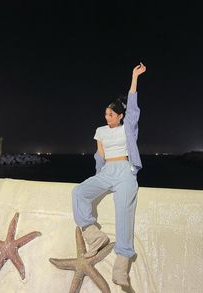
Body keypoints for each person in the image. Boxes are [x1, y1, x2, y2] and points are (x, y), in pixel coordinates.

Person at [72, 62, 146, 288]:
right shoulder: (100, 131)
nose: (107, 117)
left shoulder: (128, 127)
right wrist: (98, 178)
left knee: (124, 213)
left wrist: (134, 78)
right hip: (107, 171)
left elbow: (133, 107)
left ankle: (121, 267)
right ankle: (94, 236)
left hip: (124, 171)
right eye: (105, 113)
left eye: (111, 114)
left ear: (120, 116)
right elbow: (99, 155)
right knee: (79, 192)